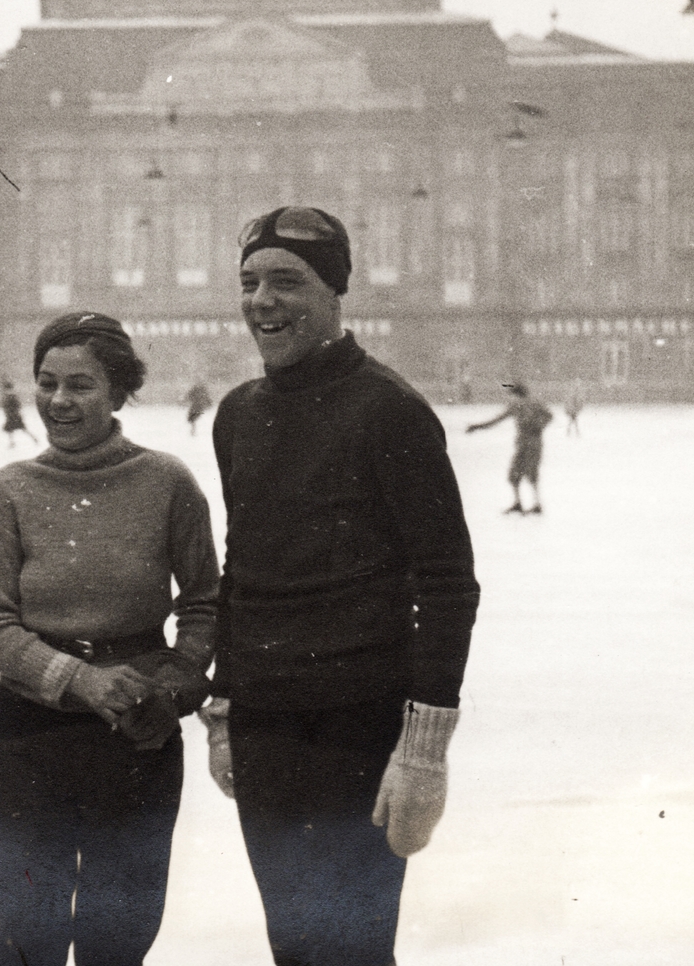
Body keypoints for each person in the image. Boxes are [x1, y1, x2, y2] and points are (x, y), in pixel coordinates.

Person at [202, 207, 480, 966]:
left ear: (335, 292)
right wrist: (225, 702)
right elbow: (243, 565)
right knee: (292, 944)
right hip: (266, 722)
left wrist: (424, 749)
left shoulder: (388, 409)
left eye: (287, 281)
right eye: (250, 282)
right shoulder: (237, 416)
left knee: (352, 951)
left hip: (357, 726)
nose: (262, 300)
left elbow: (448, 582)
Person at [0, 311, 219, 966]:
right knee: (29, 929)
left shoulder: (167, 483)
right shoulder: (10, 492)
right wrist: (78, 680)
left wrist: (176, 683)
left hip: (138, 732)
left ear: (118, 392)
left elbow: (204, 603)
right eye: (46, 383)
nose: (57, 401)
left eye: (79, 385)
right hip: (32, 731)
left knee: (118, 935)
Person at [466, 382, 554, 514]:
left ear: (517, 394)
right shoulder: (517, 406)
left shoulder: (533, 403)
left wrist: (537, 426)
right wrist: (478, 426)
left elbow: (548, 416)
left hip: (533, 444)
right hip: (523, 444)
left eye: (512, 395)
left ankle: (537, 504)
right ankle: (518, 503)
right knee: (515, 474)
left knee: (531, 473)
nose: (510, 398)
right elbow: (497, 419)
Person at [0, 378, 34, 448]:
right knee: (18, 429)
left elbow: (13, 406)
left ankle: (13, 443)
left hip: (13, 415)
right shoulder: (11, 395)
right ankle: (33, 439)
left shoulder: (10, 396)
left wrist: (10, 411)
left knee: (14, 429)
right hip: (13, 415)